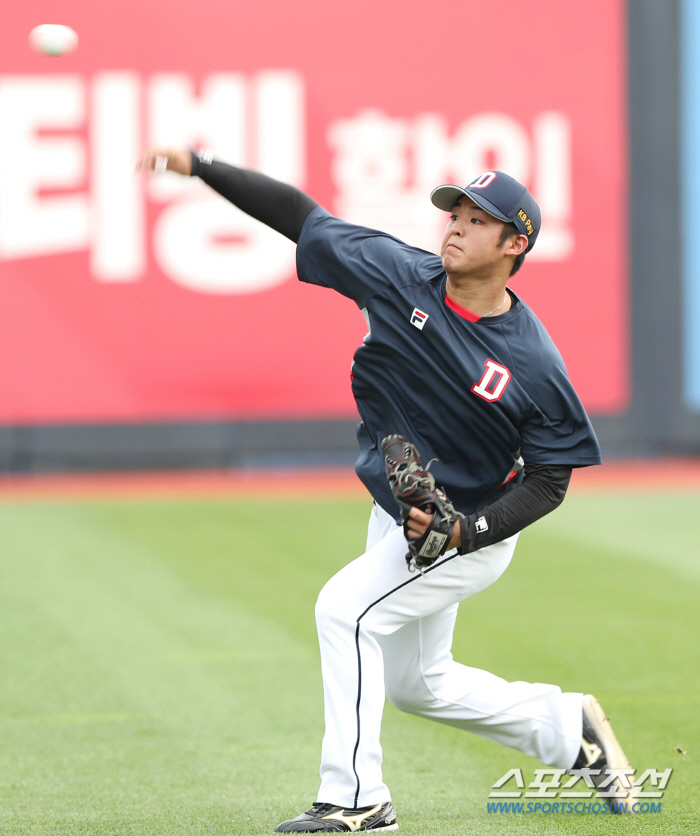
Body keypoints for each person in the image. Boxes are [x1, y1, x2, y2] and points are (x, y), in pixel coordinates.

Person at [137, 149, 635, 830]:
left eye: (478, 219)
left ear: (516, 245)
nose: (455, 226)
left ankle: (355, 799)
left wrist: (467, 533)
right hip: (403, 515)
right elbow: (301, 218)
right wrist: (201, 166)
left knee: (345, 611)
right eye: (454, 212)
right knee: (419, 686)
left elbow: (551, 479)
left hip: (473, 525)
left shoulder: (533, 362)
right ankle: (566, 726)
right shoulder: (401, 276)